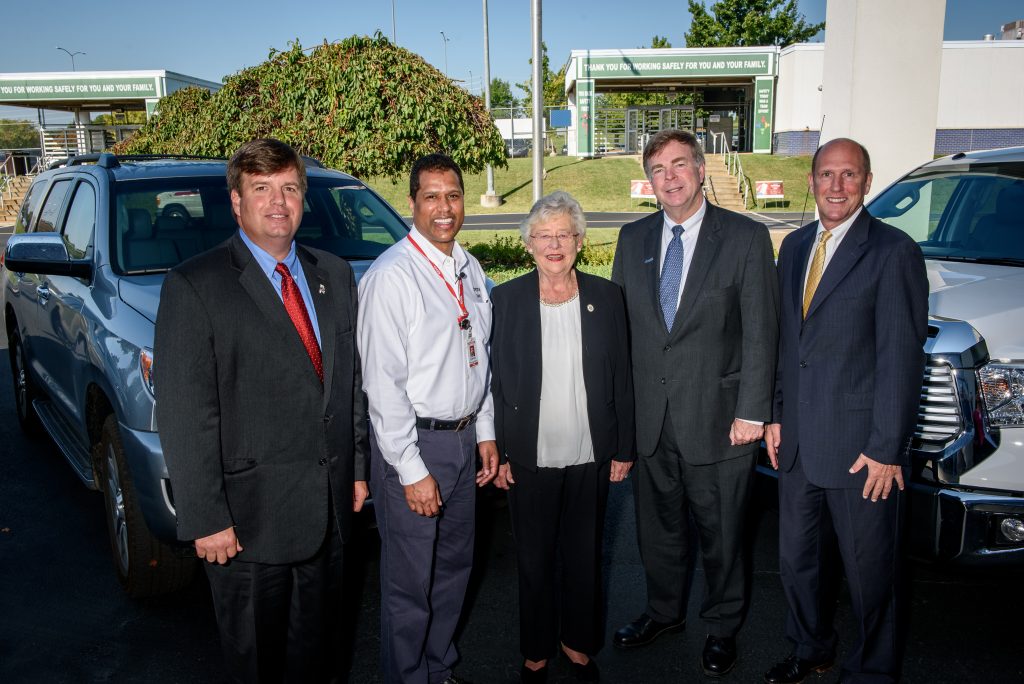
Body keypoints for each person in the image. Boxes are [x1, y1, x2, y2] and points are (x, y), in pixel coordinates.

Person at [154, 138, 369, 683]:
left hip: (329, 517)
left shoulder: (336, 276)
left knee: (322, 658)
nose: (279, 201)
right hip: (246, 529)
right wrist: (206, 518)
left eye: (290, 188)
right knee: (258, 664)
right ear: (235, 202)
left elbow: (351, 387)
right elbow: (185, 413)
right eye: (262, 189)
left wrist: (359, 470)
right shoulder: (194, 286)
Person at [611, 129, 779, 677]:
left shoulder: (745, 238)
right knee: (657, 533)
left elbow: (760, 331)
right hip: (651, 423)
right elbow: (622, 335)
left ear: (702, 170)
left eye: (680, 165)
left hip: (721, 421)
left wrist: (753, 411)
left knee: (723, 536)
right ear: (649, 181)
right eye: (659, 170)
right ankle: (664, 612)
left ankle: (723, 625)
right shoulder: (632, 239)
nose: (670, 178)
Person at [763, 138, 928, 684]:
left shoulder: (893, 251)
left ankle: (874, 670)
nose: (836, 186)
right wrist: (777, 415)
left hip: (862, 452)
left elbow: (900, 360)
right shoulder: (793, 248)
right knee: (796, 564)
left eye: (848, 175)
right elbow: (791, 346)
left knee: (869, 574)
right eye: (826, 174)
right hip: (798, 446)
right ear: (810, 180)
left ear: (868, 181)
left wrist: (886, 449)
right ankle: (811, 648)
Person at [357, 152, 499, 684]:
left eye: (454, 195)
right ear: (412, 203)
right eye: (432, 196)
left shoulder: (469, 267)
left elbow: (478, 353)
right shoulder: (392, 277)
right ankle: (409, 675)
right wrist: (411, 469)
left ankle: (438, 666)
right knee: (409, 585)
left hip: (463, 442)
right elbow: (382, 386)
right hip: (416, 446)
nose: (445, 208)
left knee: (453, 571)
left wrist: (484, 431)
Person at [490, 191, 635, 683]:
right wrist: (502, 451)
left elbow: (622, 377)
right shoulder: (505, 300)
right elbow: (496, 381)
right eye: (544, 236)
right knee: (533, 561)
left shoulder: (607, 296)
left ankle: (577, 643)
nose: (554, 245)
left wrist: (624, 448)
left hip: (590, 452)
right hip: (528, 455)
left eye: (564, 235)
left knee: (584, 555)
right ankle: (535, 651)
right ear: (528, 244)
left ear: (579, 241)